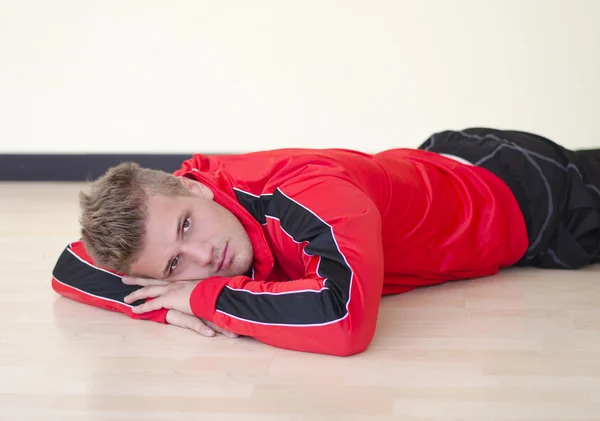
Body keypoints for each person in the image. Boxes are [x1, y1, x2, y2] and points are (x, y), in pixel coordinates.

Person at [50, 127, 600, 356]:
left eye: (187, 227)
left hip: (534, 200)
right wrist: (156, 309)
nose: (202, 258)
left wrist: (200, 297)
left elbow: (344, 321)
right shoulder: (172, 203)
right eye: (173, 265)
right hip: (437, 168)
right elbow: (68, 268)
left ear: (194, 188)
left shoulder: (307, 194)